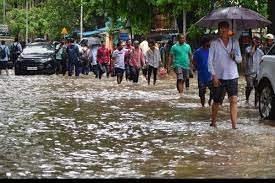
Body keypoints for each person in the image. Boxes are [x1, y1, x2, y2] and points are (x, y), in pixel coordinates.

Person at [208, 21, 242, 129]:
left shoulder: (234, 42)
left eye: (225, 28)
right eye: (221, 28)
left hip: (232, 76)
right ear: (218, 30)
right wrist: (213, 76)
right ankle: (213, 122)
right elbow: (210, 61)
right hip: (219, 77)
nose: (223, 30)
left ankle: (234, 126)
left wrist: (234, 56)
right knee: (217, 101)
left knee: (233, 100)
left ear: (228, 30)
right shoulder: (214, 43)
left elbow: (240, 59)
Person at [192, 36, 213, 107]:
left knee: (214, 91)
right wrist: (196, 67)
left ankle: (210, 101)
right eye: (209, 42)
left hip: (211, 75)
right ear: (205, 43)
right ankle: (203, 105)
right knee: (202, 92)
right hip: (201, 76)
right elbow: (194, 61)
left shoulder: (212, 51)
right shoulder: (198, 52)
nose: (210, 43)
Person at [244, 34, 264, 107]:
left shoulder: (261, 52)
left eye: (258, 40)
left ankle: (256, 105)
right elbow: (250, 54)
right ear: (252, 40)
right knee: (250, 86)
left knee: (257, 88)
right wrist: (254, 46)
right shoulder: (248, 49)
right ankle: (247, 99)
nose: (257, 41)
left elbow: (263, 62)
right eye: (255, 39)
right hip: (249, 72)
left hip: (258, 73)